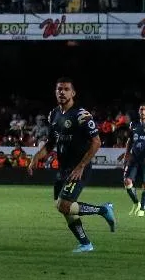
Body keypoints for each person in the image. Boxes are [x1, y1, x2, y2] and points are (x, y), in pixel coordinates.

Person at [28, 78, 115, 252]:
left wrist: (81, 166)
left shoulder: (81, 115)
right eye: (59, 89)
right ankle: (86, 244)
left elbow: (96, 142)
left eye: (66, 89)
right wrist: (35, 158)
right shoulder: (54, 115)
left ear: (73, 93)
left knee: (64, 205)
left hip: (79, 168)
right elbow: (51, 143)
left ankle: (103, 210)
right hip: (63, 169)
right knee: (62, 208)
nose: (62, 92)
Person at [123, 104, 145, 216]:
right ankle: (136, 203)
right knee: (127, 181)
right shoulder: (133, 124)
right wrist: (127, 153)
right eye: (141, 109)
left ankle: (142, 209)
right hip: (134, 157)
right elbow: (129, 140)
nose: (143, 111)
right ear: (139, 111)